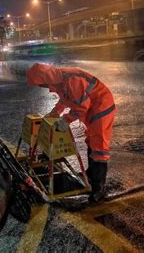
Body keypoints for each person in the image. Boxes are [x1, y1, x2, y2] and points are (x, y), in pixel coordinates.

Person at [26, 63, 116, 203]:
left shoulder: (70, 79)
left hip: (101, 106)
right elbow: (66, 99)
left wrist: (66, 120)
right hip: (94, 107)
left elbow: (82, 106)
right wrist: (54, 113)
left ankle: (99, 189)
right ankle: (92, 175)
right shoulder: (60, 80)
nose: (43, 87)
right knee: (91, 141)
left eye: (42, 84)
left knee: (99, 147)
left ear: (46, 78)